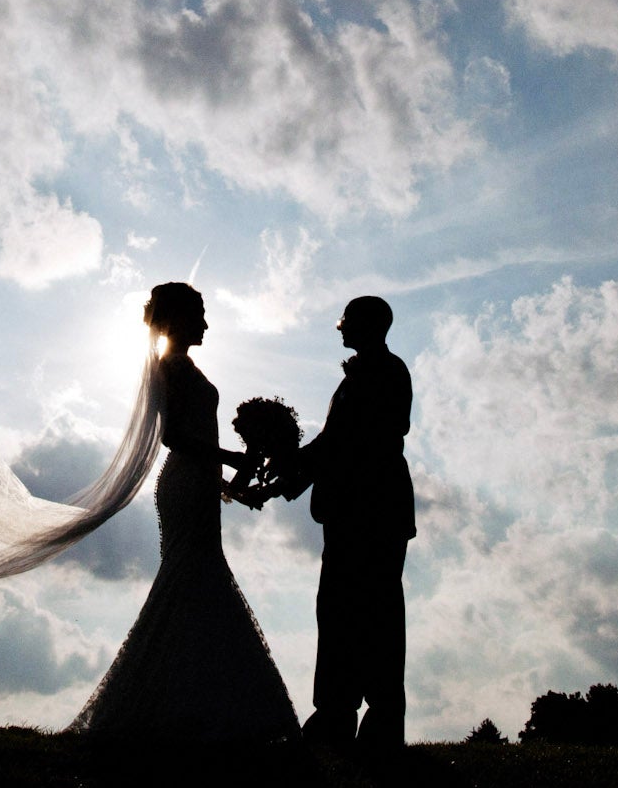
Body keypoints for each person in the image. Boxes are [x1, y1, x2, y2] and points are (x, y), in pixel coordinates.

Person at [70, 283, 301, 742]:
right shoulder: (168, 368)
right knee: (191, 576)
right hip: (181, 481)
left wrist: (235, 480)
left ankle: (196, 702)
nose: (207, 325)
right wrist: (233, 459)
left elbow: (201, 444)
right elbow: (173, 437)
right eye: (199, 315)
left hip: (197, 482)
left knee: (196, 578)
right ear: (175, 321)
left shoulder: (188, 367)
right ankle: (178, 705)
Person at [272, 295, 415, 750]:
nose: (339, 329)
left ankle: (373, 716)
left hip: (372, 509)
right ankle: (338, 711)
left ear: (369, 326)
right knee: (338, 610)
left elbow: (352, 440)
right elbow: (336, 440)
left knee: (372, 612)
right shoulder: (365, 374)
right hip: (354, 508)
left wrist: (296, 469)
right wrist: (290, 473)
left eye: (346, 321)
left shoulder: (386, 372)